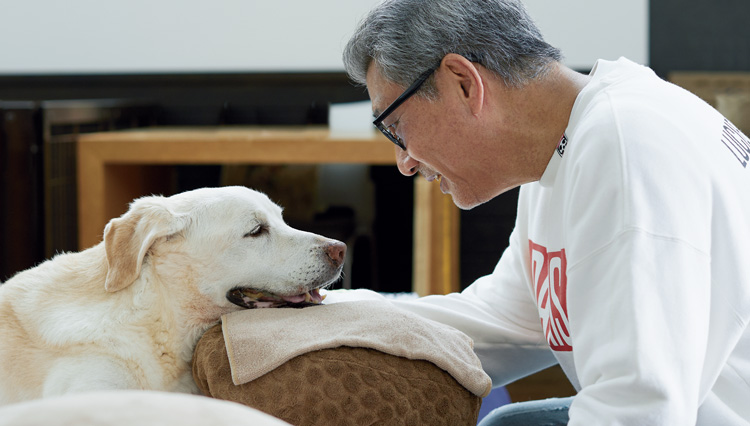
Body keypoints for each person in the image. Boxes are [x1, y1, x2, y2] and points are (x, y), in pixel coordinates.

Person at [341, 0, 750, 424]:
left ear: (463, 82)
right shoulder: (570, 148)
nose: (403, 162)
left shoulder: (623, 147)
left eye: (395, 127)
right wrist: (326, 315)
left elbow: (638, 407)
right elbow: (502, 324)